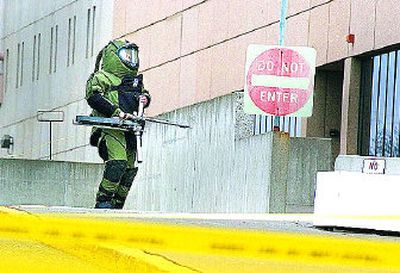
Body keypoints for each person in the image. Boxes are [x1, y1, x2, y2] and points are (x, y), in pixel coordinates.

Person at [85, 39, 151, 209]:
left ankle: (117, 203)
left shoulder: (135, 81)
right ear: (114, 56)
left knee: (129, 168)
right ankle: (103, 200)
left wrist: (145, 99)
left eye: (133, 56)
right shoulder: (102, 77)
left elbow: (144, 95)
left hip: (130, 129)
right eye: (126, 55)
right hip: (111, 128)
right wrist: (116, 112)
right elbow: (94, 97)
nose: (131, 59)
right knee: (118, 162)